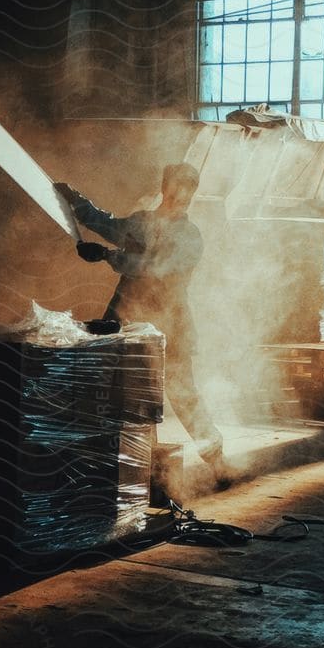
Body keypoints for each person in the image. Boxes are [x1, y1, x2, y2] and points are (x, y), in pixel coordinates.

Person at [54, 163, 232, 492]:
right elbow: (103, 223)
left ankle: (217, 462)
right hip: (128, 319)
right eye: (178, 188)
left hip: (171, 321)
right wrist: (76, 200)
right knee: (131, 394)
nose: (183, 196)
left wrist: (108, 256)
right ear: (165, 188)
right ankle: (147, 467)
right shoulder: (141, 223)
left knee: (183, 395)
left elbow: (156, 269)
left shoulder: (190, 237)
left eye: (190, 190)